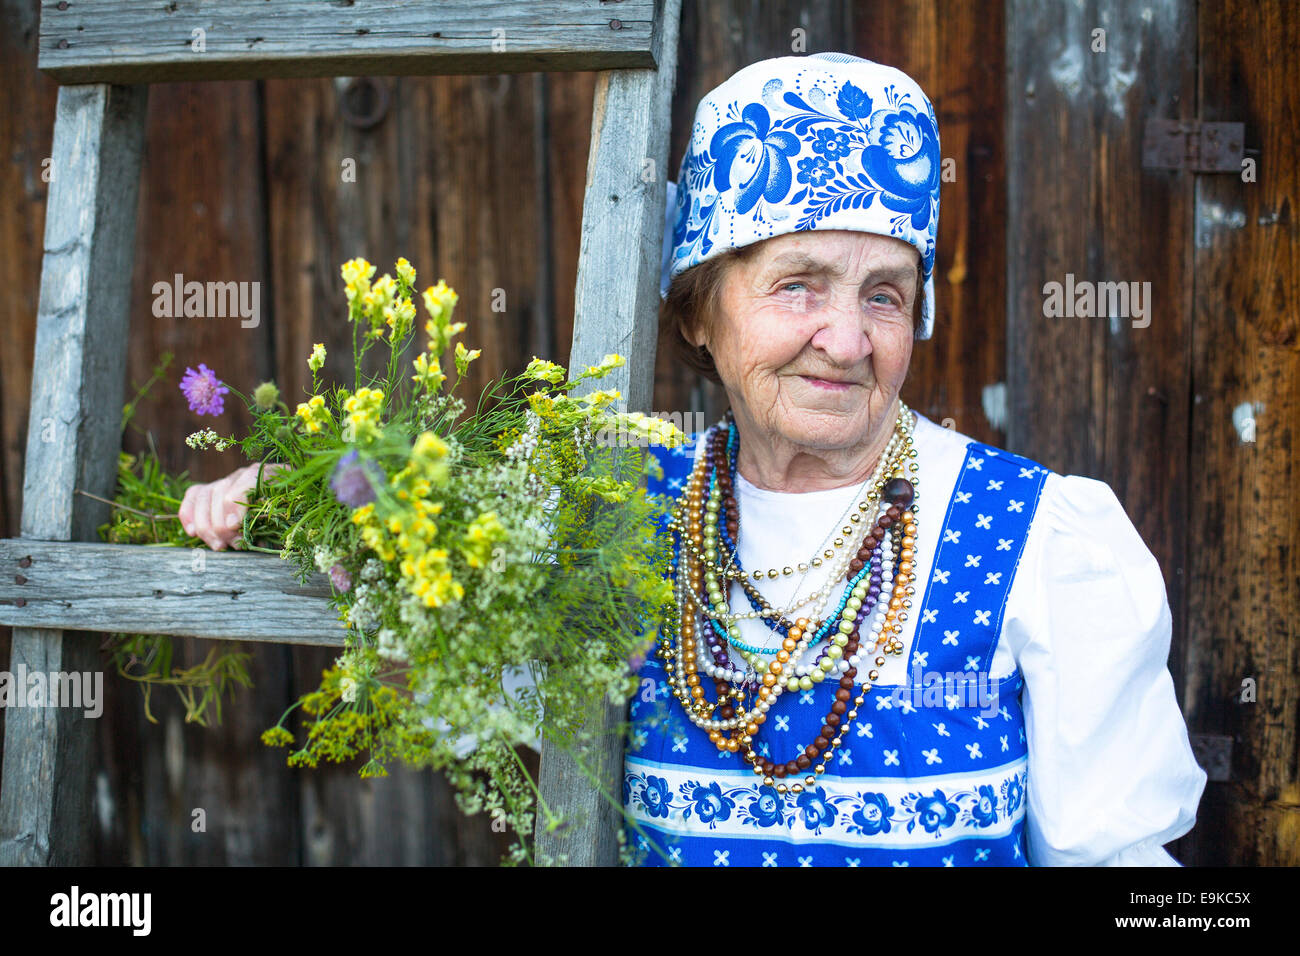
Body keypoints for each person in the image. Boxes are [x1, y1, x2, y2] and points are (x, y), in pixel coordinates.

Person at [182, 52, 1207, 867]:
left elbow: (1117, 862)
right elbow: (458, 683)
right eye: (798, 283)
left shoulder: (1035, 538)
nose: (846, 341)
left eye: (883, 294)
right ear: (697, 311)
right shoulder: (618, 511)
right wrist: (326, 497)